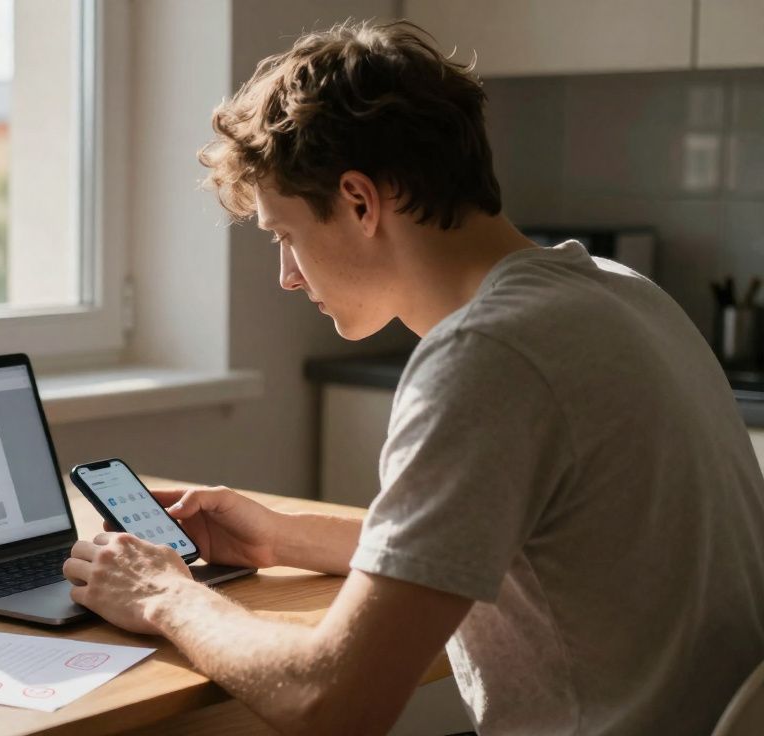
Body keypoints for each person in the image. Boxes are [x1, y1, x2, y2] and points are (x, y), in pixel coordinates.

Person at [61, 19, 764, 736]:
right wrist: (279, 538)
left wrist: (165, 597)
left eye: (285, 236)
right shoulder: (620, 293)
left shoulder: (487, 356)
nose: (286, 276)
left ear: (361, 202)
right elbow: (489, 537)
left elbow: (329, 702)